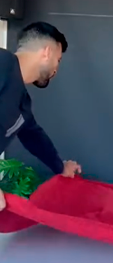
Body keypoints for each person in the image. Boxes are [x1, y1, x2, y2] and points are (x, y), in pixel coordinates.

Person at [0, 22, 83, 213]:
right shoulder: (3, 62)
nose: (56, 69)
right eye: (58, 60)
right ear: (47, 52)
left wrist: (60, 167)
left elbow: (34, 137)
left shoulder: (21, 102)